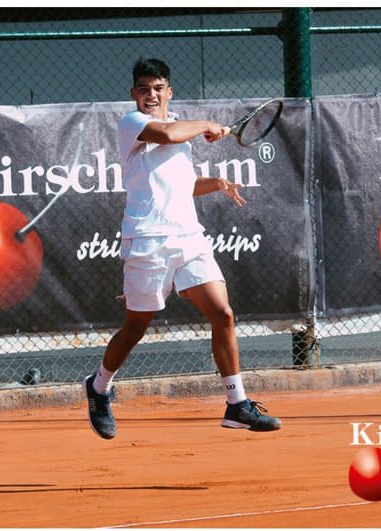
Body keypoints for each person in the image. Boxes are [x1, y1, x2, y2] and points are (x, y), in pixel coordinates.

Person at [83, 58, 281, 439]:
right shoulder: (133, 123)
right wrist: (206, 124)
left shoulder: (179, 130)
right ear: (133, 94)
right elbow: (168, 134)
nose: (151, 95)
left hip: (189, 237)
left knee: (222, 312)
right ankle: (99, 386)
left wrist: (217, 183)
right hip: (147, 240)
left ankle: (237, 403)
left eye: (158, 89)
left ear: (169, 92)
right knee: (134, 329)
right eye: (144, 89)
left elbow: (183, 182)